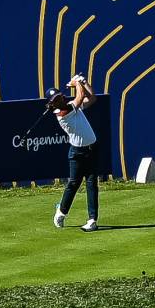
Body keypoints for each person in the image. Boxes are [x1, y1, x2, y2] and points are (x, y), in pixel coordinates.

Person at [51, 79, 104, 231]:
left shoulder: (72, 106)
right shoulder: (62, 113)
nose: (60, 99)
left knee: (92, 183)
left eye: (59, 96)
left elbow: (91, 98)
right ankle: (61, 212)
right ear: (53, 104)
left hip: (92, 149)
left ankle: (92, 220)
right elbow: (80, 97)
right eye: (56, 99)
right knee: (74, 183)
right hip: (77, 153)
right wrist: (76, 83)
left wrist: (83, 82)